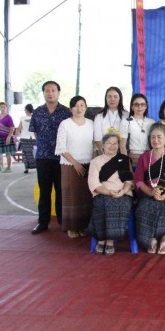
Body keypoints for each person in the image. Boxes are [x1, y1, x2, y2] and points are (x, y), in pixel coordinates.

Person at [134, 122, 165, 254]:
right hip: (149, 194)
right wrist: (151, 192)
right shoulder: (144, 157)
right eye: (153, 137)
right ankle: (151, 238)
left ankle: (164, 238)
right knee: (143, 207)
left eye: (159, 137)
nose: (155, 140)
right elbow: (138, 181)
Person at [29, 81, 72, 234]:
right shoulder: (37, 112)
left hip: (61, 157)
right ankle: (43, 222)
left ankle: (62, 221)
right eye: (47, 91)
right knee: (44, 191)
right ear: (43, 93)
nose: (50, 93)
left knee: (61, 191)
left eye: (53, 90)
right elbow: (36, 132)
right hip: (43, 157)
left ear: (58, 93)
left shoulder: (66, 112)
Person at [87, 132, 135, 255]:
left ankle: (110, 241)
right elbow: (93, 182)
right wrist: (108, 192)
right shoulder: (95, 161)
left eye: (115, 143)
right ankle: (101, 239)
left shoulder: (124, 160)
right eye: (109, 143)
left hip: (123, 194)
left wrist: (123, 191)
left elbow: (129, 181)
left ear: (119, 146)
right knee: (102, 204)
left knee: (117, 204)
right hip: (102, 192)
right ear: (102, 145)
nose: (112, 146)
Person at [55, 96, 94, 238]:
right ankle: (71, 227)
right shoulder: (65, 124)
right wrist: (76, 163)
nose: (79, 108)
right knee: (71, 196)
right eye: (76, 106)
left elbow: (95, 145)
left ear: (86, 107)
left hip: (88, 164)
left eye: (82, 105)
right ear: (71, 108)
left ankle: (82, 226)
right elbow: (61, 147)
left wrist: (94, 163)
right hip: (70, 165)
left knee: (85, 197)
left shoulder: (91, 124)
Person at [93, 86, 129, 156]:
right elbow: (97, 139)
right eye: (109, 96)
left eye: (115, 96)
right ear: (106, 99)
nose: (112, 99)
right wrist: (106, 154)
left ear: (120, 98)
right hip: (103, 153)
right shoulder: (99, 116)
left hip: (121, 152)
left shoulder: (126, 115)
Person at [126, 93, 154, 168]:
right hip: (132, 158)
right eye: (136, 104)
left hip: (149, 158)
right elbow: (122, 145)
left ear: (146, 107)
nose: (139, 107)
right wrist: (127, 164)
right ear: (132, 107)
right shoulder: (126, 122)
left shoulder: (152, 122)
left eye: (142, 104)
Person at [0, 101, 16, 173]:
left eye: (4, 107)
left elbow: (12, 128)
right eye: (1, 107)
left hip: (6, 136)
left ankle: (8, 168)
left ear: (6, 108)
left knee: (8, 152)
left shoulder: (8, 117)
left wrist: (9, 137)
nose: (3, 108)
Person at [16, 104, 36, 174]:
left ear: (26, 110)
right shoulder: (35, 117)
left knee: (25, 153)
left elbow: (19, 128)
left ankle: (26, 168)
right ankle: (36, 166)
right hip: (33, 137)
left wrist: (15, 136)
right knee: (33, 153)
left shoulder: (22, 118)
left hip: (24, 137)